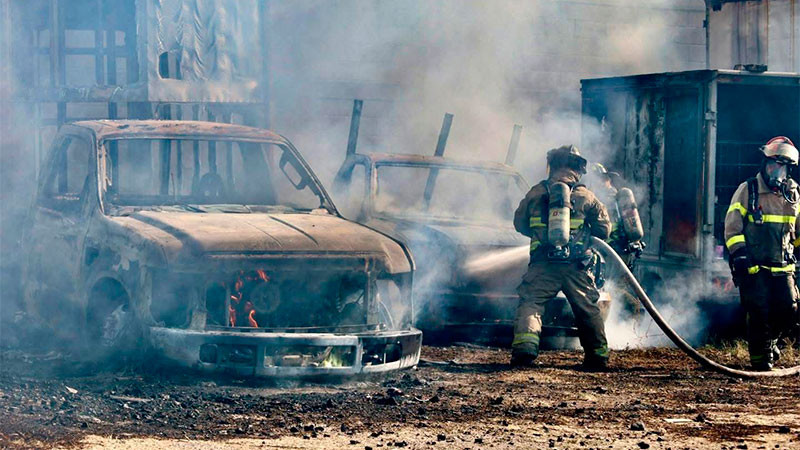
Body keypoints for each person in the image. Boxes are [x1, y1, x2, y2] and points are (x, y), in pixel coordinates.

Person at [511, 145, 612, 369]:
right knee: (587, 308)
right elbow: (604, 230)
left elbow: (519, 223)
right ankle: (598, 356)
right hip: (576, 266)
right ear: (577, 168)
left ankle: (525, 350)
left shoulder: (536, 192)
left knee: (532, 303)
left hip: (543, 264)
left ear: (552, 165)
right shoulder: (586, 196)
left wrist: (541, 233)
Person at [724, 136, 800, 371]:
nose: (775, 171)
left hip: (782, 267)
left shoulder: (794, 194)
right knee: (758, 311)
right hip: (754, 266)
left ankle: (771, 343)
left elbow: (797, 232)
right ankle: (760, 362)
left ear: (787, 169)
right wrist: (740, 254)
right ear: (764, 165)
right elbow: (732, 227)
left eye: (780, 166)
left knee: (789, 309)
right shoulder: (748, 190)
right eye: (771, 165)